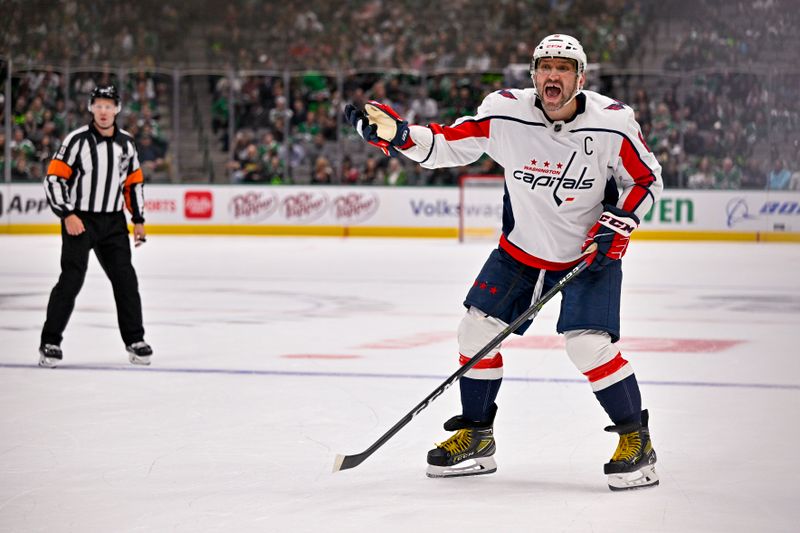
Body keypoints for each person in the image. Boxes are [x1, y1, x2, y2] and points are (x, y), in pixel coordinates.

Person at [344, 34, 663, 491]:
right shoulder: (505, 112)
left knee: (587, 346)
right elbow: (447, 145)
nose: (553, 75)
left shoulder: (613, 124)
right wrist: (399, 135)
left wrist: (620, 220)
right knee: (475, 332)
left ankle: (638, 441)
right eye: (544, 67)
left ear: (581, 78)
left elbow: (645, 180)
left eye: (564, 67)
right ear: (533, 74)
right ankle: (477, 435)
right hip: (520, 254)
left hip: (590, 253)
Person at [39, 85, 153, 368]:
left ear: (117, 109)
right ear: (91, 108)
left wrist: (137, 220)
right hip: (80, 219)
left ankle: (135, 340)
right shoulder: (76, 140)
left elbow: (133, 183)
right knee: (72, 278)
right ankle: (50, 342)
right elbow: (54, 178)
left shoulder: (127, 144)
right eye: (99, 105)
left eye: (109, 105)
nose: (103, 111)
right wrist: (67, 214)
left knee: (126, 279)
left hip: (113, 223)